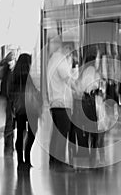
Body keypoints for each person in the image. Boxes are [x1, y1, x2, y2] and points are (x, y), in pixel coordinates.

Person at [47, 38, 77, 171]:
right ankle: (59, 162)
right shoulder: (60, 59)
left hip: (55, 102)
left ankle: (53, 160)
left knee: (56, 133)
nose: (70, 55)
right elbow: (68, 78)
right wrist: (78, 88)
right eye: (71, 51)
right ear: (67, 48)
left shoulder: (52, 59)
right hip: (62, 102)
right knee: (63, 133)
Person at [10, 53, 38, 169]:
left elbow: (9, 92)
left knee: (20, 133)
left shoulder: (14, 75)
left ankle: (20, 161)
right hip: (31, 108)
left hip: (19, 108)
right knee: (32, 133)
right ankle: (27, 157)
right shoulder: (28, 76)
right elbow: (34, 92)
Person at [0, 52, 16, 156]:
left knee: (9, 120)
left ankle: (9, 144)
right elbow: (9, 86)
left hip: (7, 98)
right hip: (10, 99)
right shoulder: (10, 71)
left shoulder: (5, 69)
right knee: (10, 120)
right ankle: (9, 144)